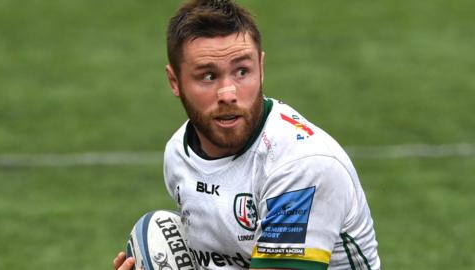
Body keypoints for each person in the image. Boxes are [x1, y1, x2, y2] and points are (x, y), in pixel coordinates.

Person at [114, 0, 381, 269]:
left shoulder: (301, 165)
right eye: (208, 76)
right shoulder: (178, 152)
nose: (228, 93)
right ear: (175, 82)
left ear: (261, 68)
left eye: (242, 71)